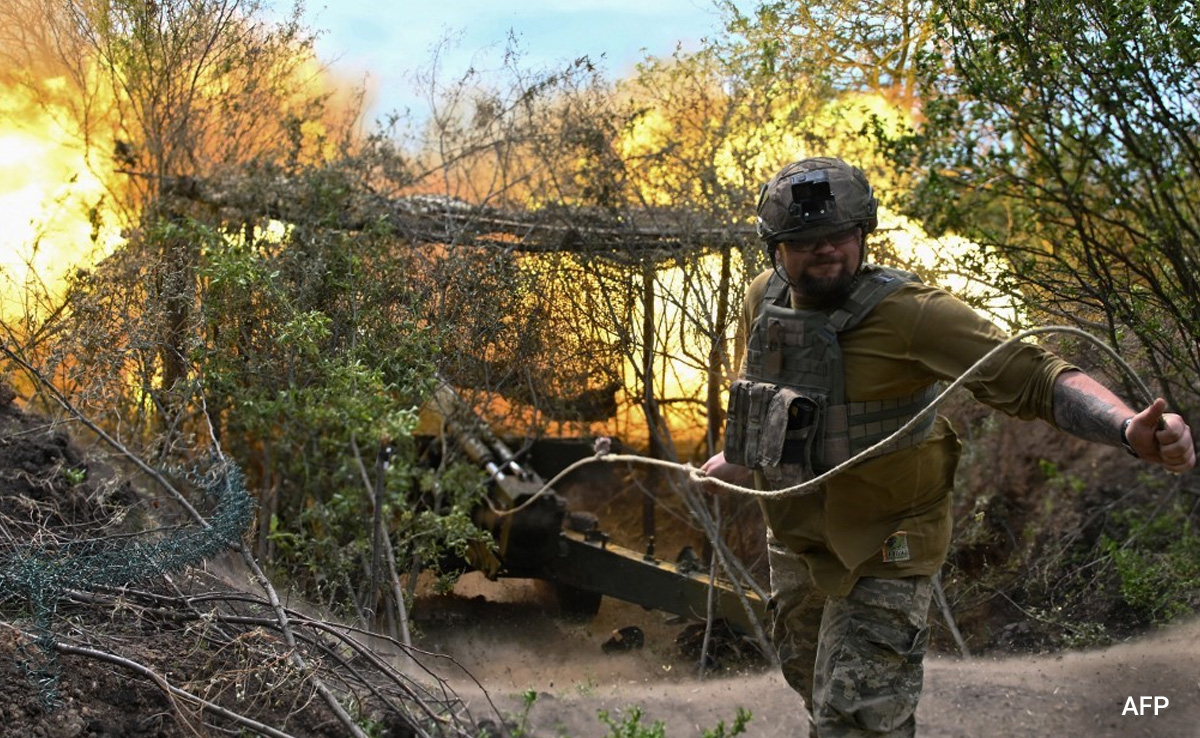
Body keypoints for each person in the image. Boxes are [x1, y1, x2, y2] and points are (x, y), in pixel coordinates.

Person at [700, 156, 1195, 738]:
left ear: (864, 232)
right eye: (806, 240)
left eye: (841, 234)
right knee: (814, 685)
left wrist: (1127, 428)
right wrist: (740, 454)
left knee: (858, 719)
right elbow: (767, 393)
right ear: (776, 248)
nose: (827, 249)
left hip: (889, 542)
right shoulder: (763, 300)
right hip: (796, 540)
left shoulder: (912, 314)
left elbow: (1033, 376)